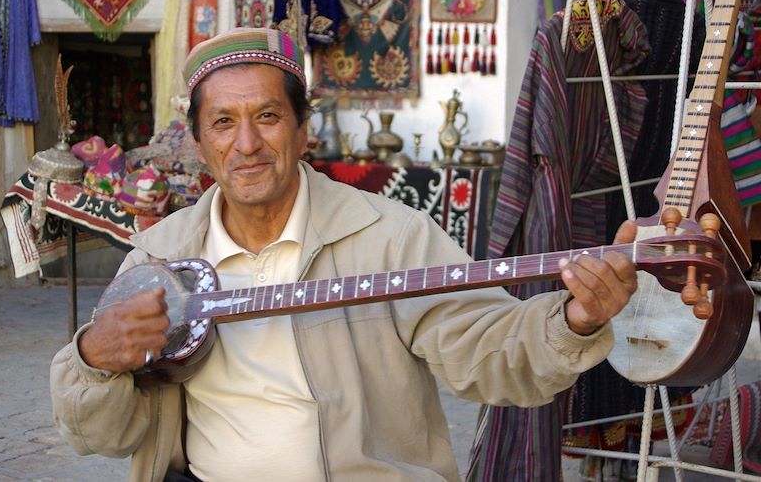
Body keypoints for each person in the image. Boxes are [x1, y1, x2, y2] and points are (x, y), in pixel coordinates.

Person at [50, 27, 638, 482]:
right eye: (223, 123)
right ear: (200, 143)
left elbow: (488, 351)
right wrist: (95, 358)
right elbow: (105, 434)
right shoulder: (159, 255)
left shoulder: (391, 237)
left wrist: (576, 319)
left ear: (305, 130)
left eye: (269, 117)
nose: (247, 144)